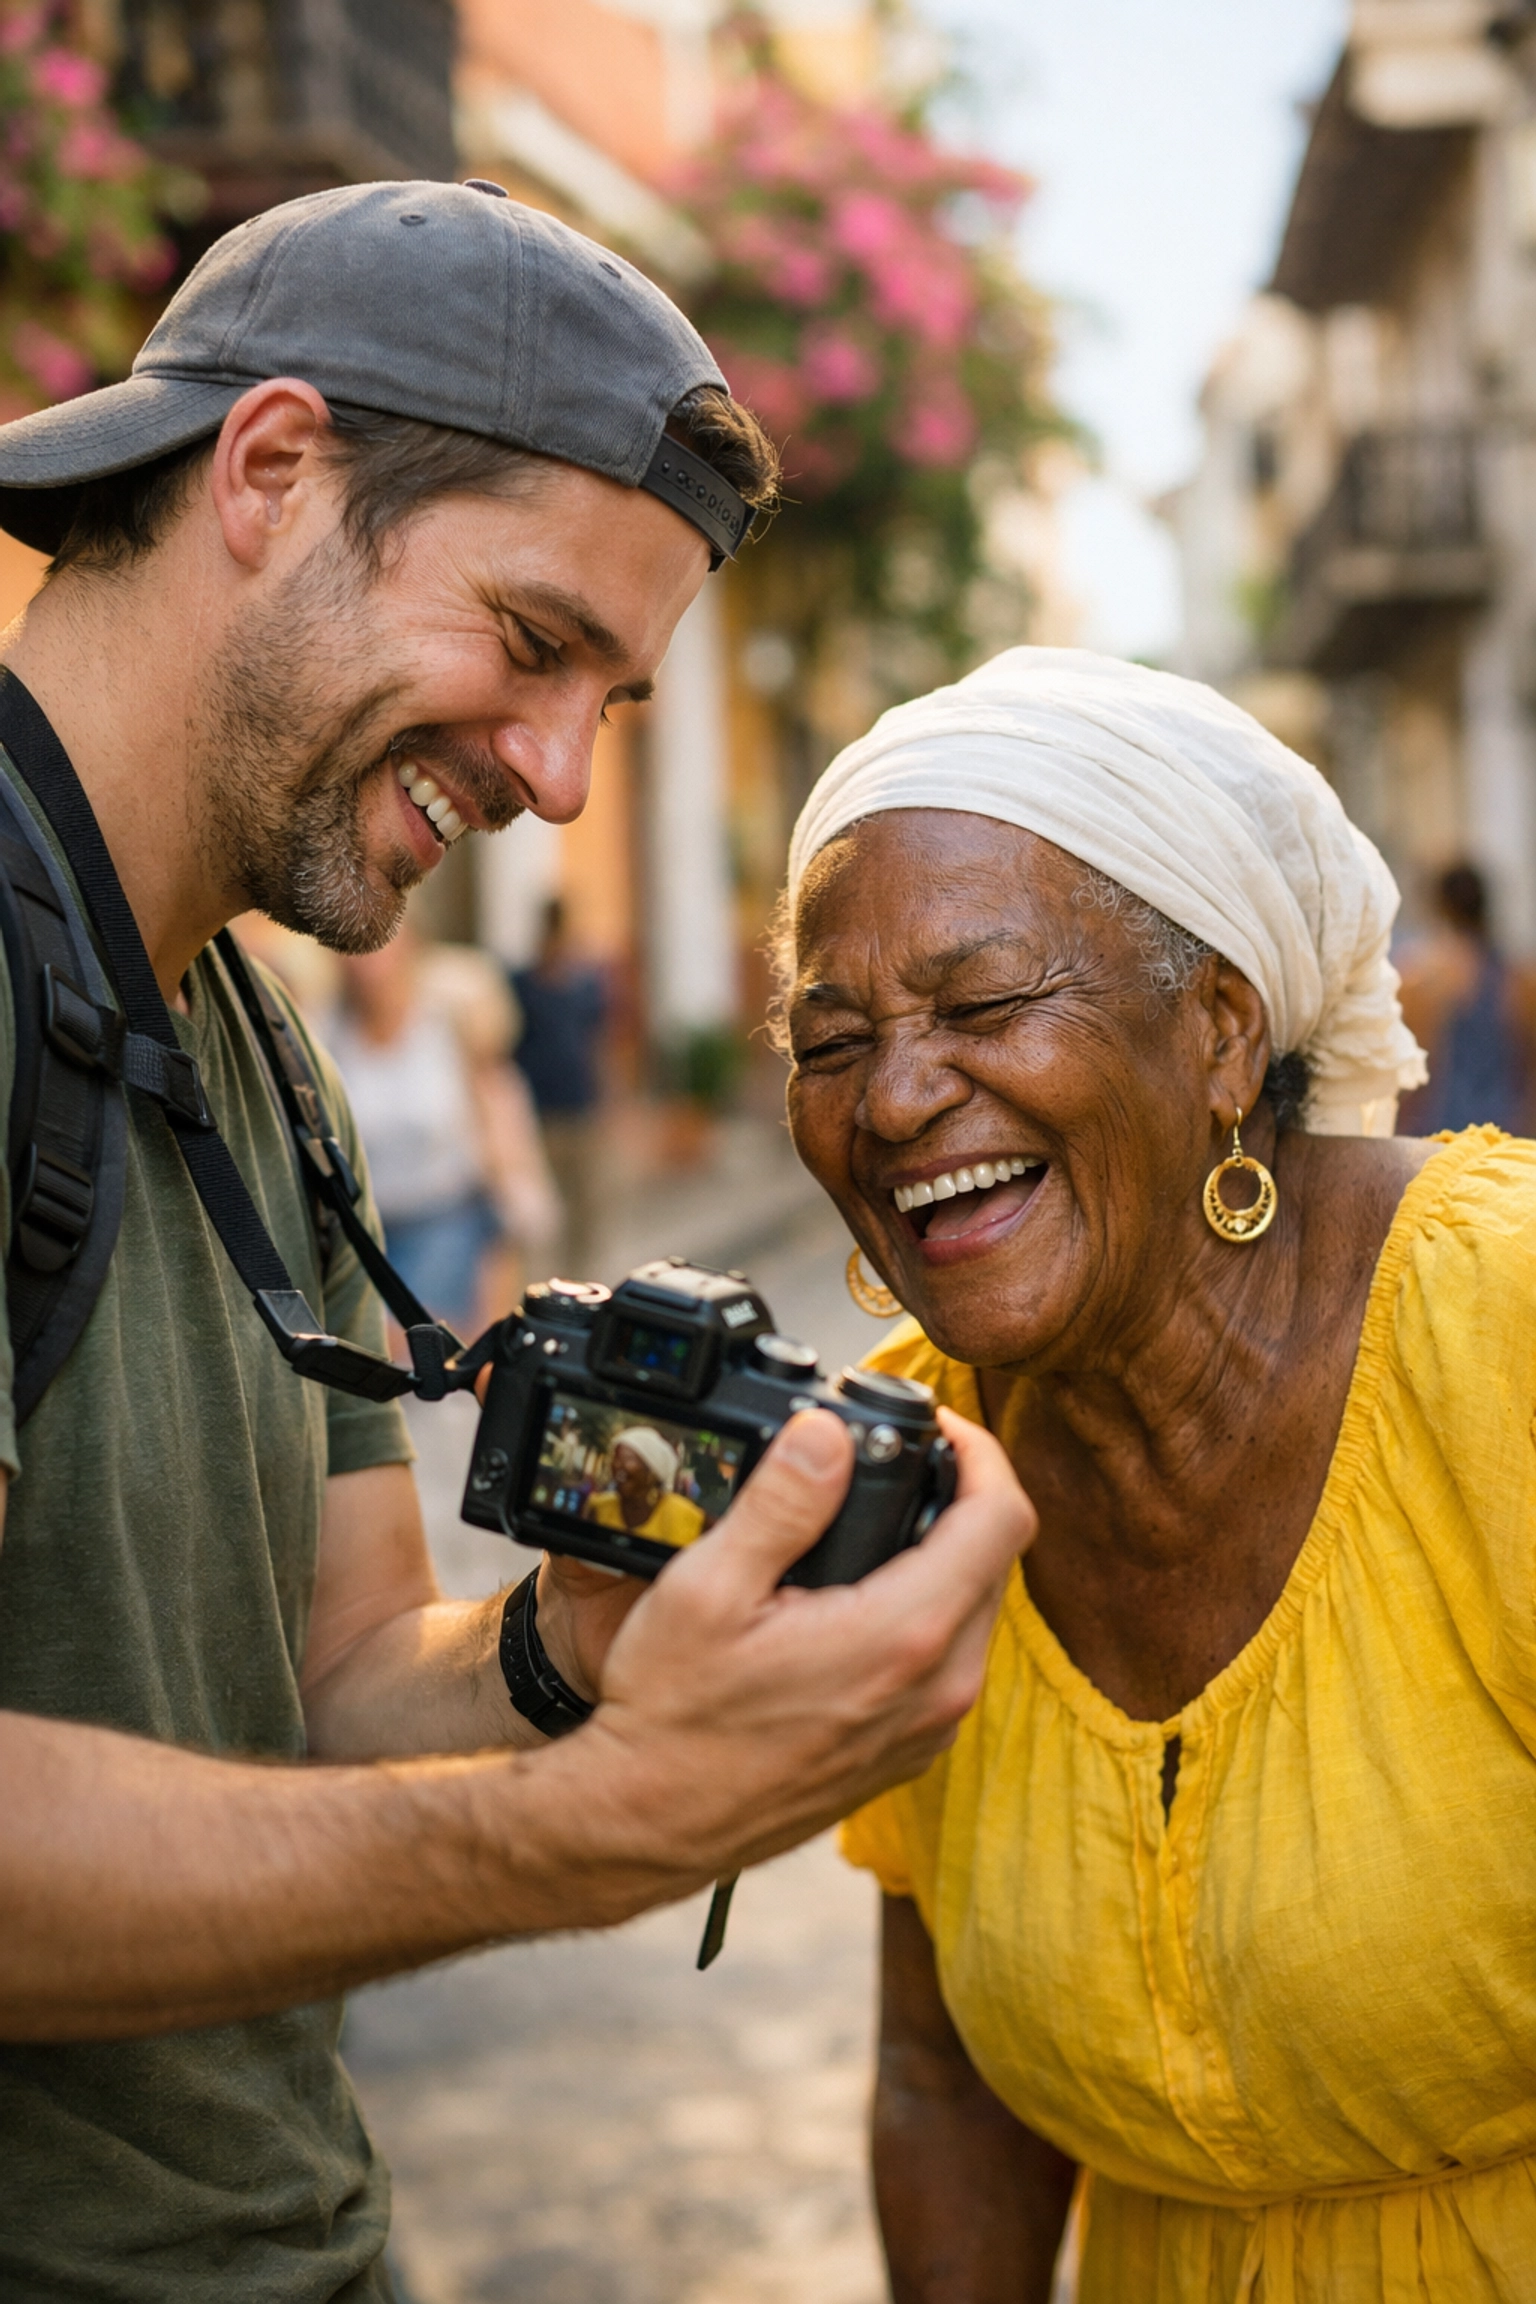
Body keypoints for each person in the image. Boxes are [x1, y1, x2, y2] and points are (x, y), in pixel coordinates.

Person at [0, 181, 1032, 2301]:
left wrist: (578, 1657)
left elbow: (335, 1683)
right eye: (535, 643)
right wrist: (593, 1830)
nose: (561, 780)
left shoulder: (249, 1037)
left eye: (612, 707)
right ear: (271, 470)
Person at [774, 644, 1536, 2302]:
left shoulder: (1503, 1326)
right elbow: (945, 2073)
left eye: (981, 1006)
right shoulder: (912, 1468)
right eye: (830, 1036)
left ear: (1216, 1032)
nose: (896, 1096)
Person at [327, 923, 559, 1336]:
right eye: (348, 945)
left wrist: (504, 1252)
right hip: (358, 1236)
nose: (364, 960)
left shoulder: (449, 1025)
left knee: (425, 1362)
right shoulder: (326, 1034)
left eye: (376, 941)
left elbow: (499, 1123)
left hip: (444, 1228)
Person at [1395, 859, 1536, 1133]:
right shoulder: (1517, 980)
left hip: (1437, 1137)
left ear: (1439, 905)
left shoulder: (1419, 978)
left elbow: (1408, 1079)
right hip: (1503, 1134)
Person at [513, 895, 609, 1270]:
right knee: (543, 1210)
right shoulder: (524, 982)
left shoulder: (584, 984)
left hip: (580, 1107)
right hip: (540, 1113)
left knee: (585, 1208)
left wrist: (607, 1101)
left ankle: (582, 1281)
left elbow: (597, 1043)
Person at [585, 1428, 707, 1548]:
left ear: (652, 1473)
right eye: (615, 1458)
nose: (618, 1465)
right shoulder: (598, 1506)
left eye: (628, 1459)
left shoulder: (683, 1514)